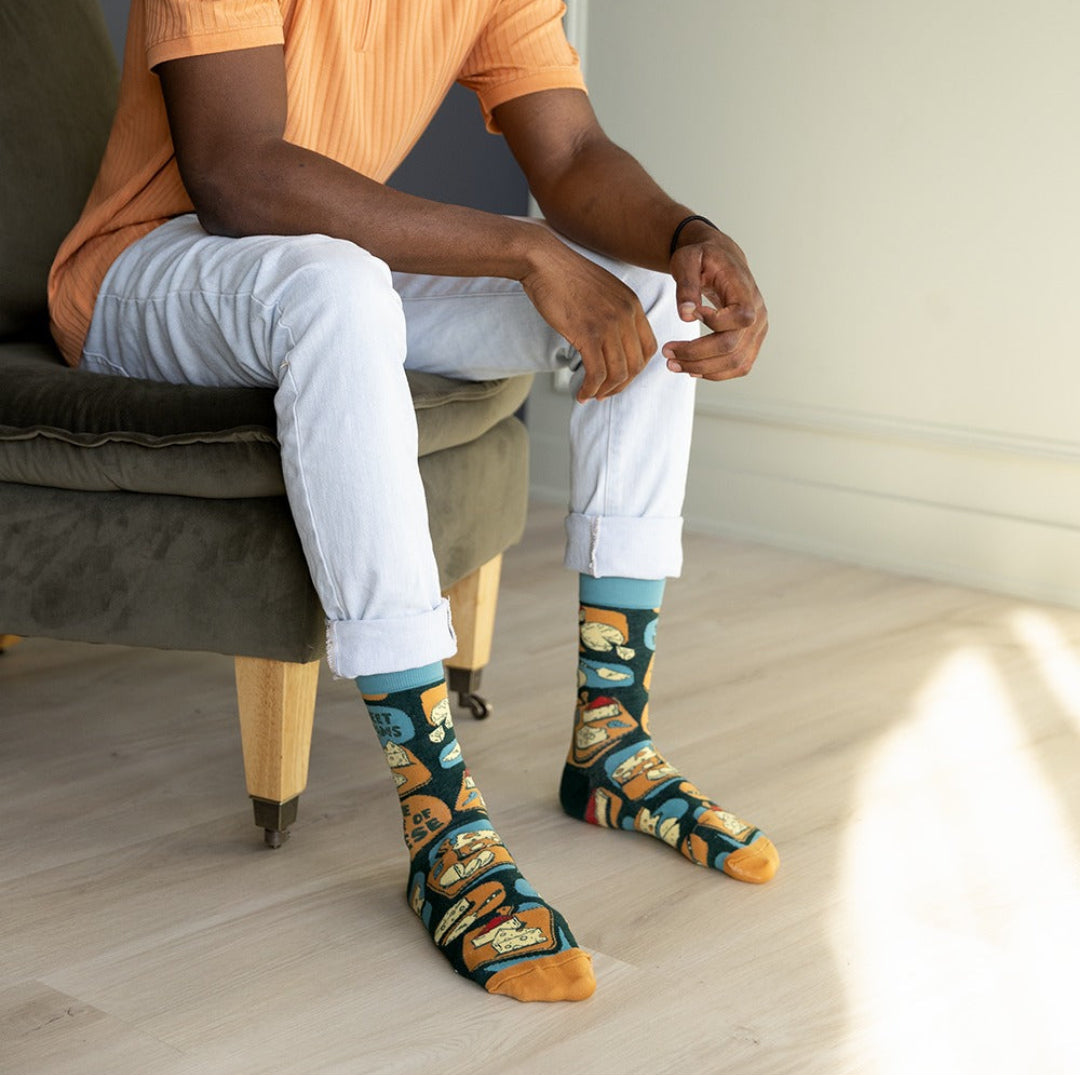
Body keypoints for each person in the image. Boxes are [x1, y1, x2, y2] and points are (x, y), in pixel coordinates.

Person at [49, 0, 775, 1003]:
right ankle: (438, 812)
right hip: (148, 271)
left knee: (647, 291)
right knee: (336, 289)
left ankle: (613, 742)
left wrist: (688, 234)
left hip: (326, 254)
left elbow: (568, 157)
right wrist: (525, 251)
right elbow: (236, 173)